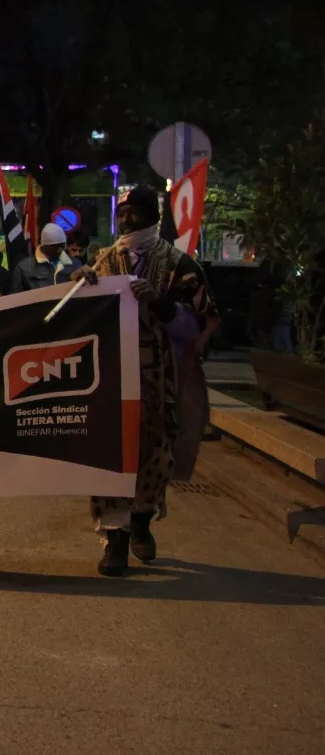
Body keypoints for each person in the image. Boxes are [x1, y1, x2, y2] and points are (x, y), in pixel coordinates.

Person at [77, 185, 218, 577]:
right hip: (107, 377)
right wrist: (80, 287)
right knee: (107, 452)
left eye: (132, 211)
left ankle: (140, 521)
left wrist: (160, 303)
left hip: (158, 377)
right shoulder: (102, 260)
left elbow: (198, 324)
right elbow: (79, 318)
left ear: (149, 214)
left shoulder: (178, 264)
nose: (124, 217)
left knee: (154, 451)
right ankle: (114, 540)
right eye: (120, 212)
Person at [11, 223, 76, 292]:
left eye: (62, 246)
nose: (59, 250)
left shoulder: (75, 264)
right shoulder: (24, 268)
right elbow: (15, 298)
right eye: (55, 246)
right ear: (44, 246)